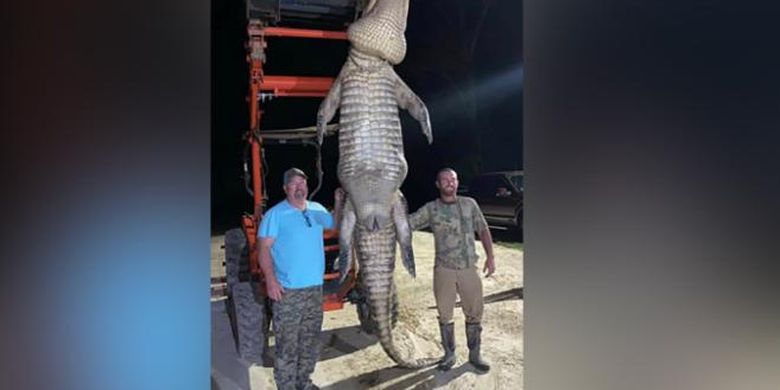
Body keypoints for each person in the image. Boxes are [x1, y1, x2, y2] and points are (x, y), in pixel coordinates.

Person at [258, 168, 343, 390]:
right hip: (288, 293)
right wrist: (271, 280)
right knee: (287, 345)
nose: (299, 188)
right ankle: (286, 386)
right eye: (294, 185)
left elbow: (335, 224)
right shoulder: (275, 215)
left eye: (303, 184)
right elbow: (264, 249)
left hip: (314, 291)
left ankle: (303, 382)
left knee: (310, 342)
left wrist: (338, 201)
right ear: (286, 189)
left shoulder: (316, 209)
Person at [408, 167, 496, 372]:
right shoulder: (431, 209)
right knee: (445, 314)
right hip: (444, 270)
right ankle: (449, 355)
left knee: (474, 312)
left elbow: (483, 229)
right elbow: (408, 223)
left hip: (468, 269)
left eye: (453, 179)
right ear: (438, 184)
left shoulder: (469, 204)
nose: (450, 182)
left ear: (457, 183)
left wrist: (490, 257)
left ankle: (475, 355)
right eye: (445, 180)